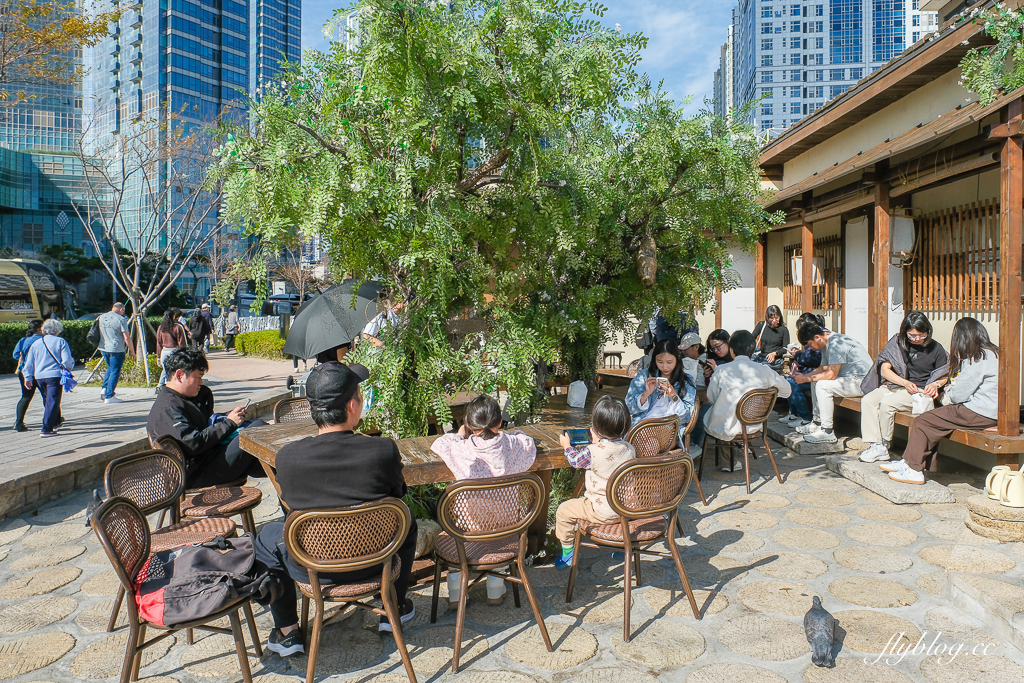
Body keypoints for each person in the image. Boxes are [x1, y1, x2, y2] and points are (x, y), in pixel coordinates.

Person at [253, 362, 417, 656]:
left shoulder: (288, 458)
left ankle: (288, 630)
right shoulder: (383, 450)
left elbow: (289, 508)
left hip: (313, 568)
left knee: (266, 537)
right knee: (406, 520)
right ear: (353, 404)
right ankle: (393, 606)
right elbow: (398, 494)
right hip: (374, 564)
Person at [430, 395, 537, 607]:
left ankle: (456, 595)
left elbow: (439, 444)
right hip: (506, 527)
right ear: (499, 423)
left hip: (469, 529)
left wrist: (460, 434)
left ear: (469, 425)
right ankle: (495, 591)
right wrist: (510, 433)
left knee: (453, 534)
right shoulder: (514, 446)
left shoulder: (461, 450)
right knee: (498, 538)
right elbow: (528, 441)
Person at [881, 318, 998, 484]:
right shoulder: (994, 353)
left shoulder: (979, 357)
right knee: (933, 423)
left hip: (978, 411)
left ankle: (914, 471)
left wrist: (946, 392)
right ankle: (909, 462)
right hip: (991, 411)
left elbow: (959, 396)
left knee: (923, 421)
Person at [146, 348, 267, 488]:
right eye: (198, 377)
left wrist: (227, 417)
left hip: (206, 462)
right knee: (257, 429)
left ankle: (290, 475)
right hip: (197, 474)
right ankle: (291, 473)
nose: (201, 383)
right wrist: (230, 423)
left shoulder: (181, 400)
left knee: (262, 457)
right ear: (179, 375)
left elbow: (205, 424)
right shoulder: (167, 408)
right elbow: (193, 443)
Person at [553, 395, 635, 569]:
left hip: (601, 510)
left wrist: (567, 446)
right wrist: (601, 441)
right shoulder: (630, 448)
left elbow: (575, 461)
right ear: (626, 425)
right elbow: (612, 454)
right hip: (625, 509)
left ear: (595, 427)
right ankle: (623, 545)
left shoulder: (592, 451)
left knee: (563, 511)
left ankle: (568, 553)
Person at [858, 312, 949, 463]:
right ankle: (875, 444)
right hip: (898, 385)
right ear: (905, 332)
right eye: (912, 335)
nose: (917, 339)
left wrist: (935, 384)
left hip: (918, 391)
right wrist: (904, 382)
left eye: (921, 335)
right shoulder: (898, 344)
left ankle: (885, 444)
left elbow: (944, 374)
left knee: (888, 404)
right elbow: (884, 369)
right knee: (868, 400)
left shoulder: (936, 349)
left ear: (928, 331)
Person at [702, 330, 792, 471]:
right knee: (725, 414)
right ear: (753, 348)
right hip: (753, 424)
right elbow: (787, 391)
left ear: (732, 350)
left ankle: (729, 462)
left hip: (725, 425)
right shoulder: (765, 370)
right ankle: (739, 453)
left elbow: (711, 397)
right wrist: (770, 396)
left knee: (718, 413)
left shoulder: (721, 370)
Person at [792, 321, 873, 443]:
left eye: (809, 344)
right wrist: (804, 376)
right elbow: (822, 369)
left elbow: (831, 374)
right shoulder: (828, 342)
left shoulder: (836, 344)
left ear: (817, 338)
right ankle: (817, 422)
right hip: (851, 380)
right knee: (816, 381)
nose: (810, 348)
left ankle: (827, 431)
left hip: (862, 382)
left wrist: (805, 378)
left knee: (823, 385)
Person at [625, 338, 698, 452]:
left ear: (678, 359)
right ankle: (648, 469)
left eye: (669, 362)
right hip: (642, 425)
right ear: (654, 360)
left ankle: (641, 469)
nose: (665, 367)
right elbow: (629, 407)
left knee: (648, 444)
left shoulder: (686, 381)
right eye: (660, 362)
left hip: (668, 429)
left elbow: (687, 416)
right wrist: (646, 394)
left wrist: (673, 396)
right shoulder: (645, 376)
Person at [21, 318, 75, 437]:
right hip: (54, 375)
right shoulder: (60, 341)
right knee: (53, 401)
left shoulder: (36, 343)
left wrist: (28, 377)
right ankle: (46, 428)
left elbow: (29, 363)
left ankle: (53, 423)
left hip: (39, 376)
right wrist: (69, 367)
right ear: (58, 330)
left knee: (48, 400)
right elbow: (66, 361)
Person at [779, 312, 825, 426]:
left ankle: (804, 416)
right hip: (809, 373)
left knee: (792, 382)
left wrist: (797, 355)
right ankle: (793, 413)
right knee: (788, 379)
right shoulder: (812, 337)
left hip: (816, 376)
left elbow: (815, 360)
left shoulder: (819, 338)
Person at [97, 302, 135, 404]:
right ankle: (109, 396)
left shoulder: (101, 317)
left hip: (104, 347)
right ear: (121, 310)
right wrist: (132, 351)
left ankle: (104, 389)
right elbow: (126, 337)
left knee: (110, 368)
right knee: (115, 371)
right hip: (116, 348)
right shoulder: (121, 319)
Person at [12, 320, 43, 432]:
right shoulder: (42, 340)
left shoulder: (23, 340)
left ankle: (19, 422)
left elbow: (15, 355)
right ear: (39, 328)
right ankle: (54, 419)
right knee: (48, 395)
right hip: (39, 371)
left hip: (24, 372)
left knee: (26, 396)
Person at [156, 308, 188, 391]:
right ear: (173, 316)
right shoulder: (178, 327)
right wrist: (184, 353)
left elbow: (158, 343)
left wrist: (158, 356)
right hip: (174, 351)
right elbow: (182, 342)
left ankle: (160, 385)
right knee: (173, 370)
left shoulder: (161, 328)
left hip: (164, 351)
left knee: (166, 369)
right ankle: (169, 387)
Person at [752, 305, 790, 372]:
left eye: (776, 318)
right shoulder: (762, 325)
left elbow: (785, 347)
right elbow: (751, 338)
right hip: (762, 359)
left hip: (776, 362)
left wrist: (775, 354)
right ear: (767, 317)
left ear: (780, 317)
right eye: (771, 318)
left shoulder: (783, 330)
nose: (774, 320)